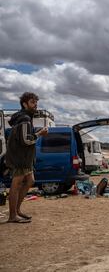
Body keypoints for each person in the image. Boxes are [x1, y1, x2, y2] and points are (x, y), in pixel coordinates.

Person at [6, 92, 48, 223]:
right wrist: (40, 133)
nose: (35, 105)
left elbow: (24, 137)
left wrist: (36, 133)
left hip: (25, 158)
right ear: (24, 104)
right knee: (16, 184)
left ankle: (17, 210)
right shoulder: (24, 119)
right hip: (20, 158)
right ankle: (13, 215)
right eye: (32, 102)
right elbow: (25, 140)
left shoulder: (25, 118)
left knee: (30, 181)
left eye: (36, 102)